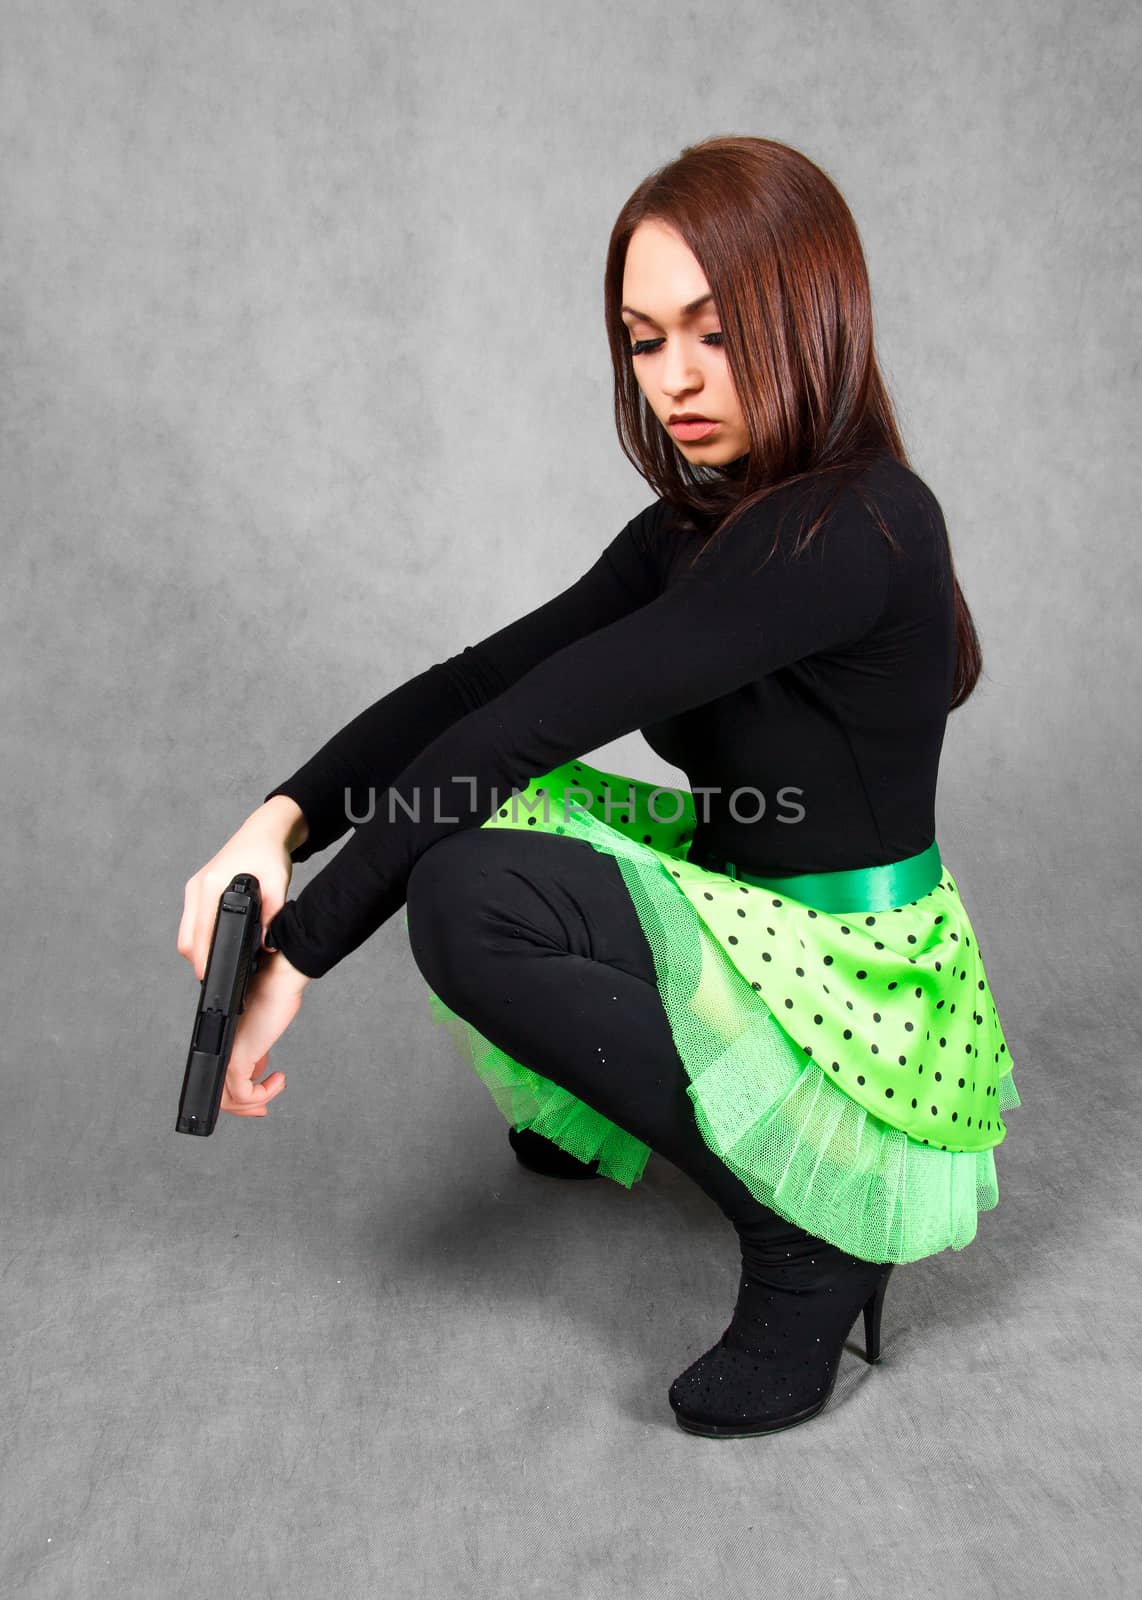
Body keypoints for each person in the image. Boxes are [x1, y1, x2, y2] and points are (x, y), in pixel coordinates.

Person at [178, 135, 1021, 1440]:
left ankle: (809, 1233)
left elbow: (530, 723)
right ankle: (622, 1090)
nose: (675, 380)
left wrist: (291, 954)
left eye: (715, 332)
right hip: (737, 903)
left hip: (858, 984)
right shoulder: (696, 526)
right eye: (642, 340)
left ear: (809, 315)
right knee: (484, 809)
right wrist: (274, 823)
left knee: (468, 886)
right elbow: (475, 687)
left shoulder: (860, 526)